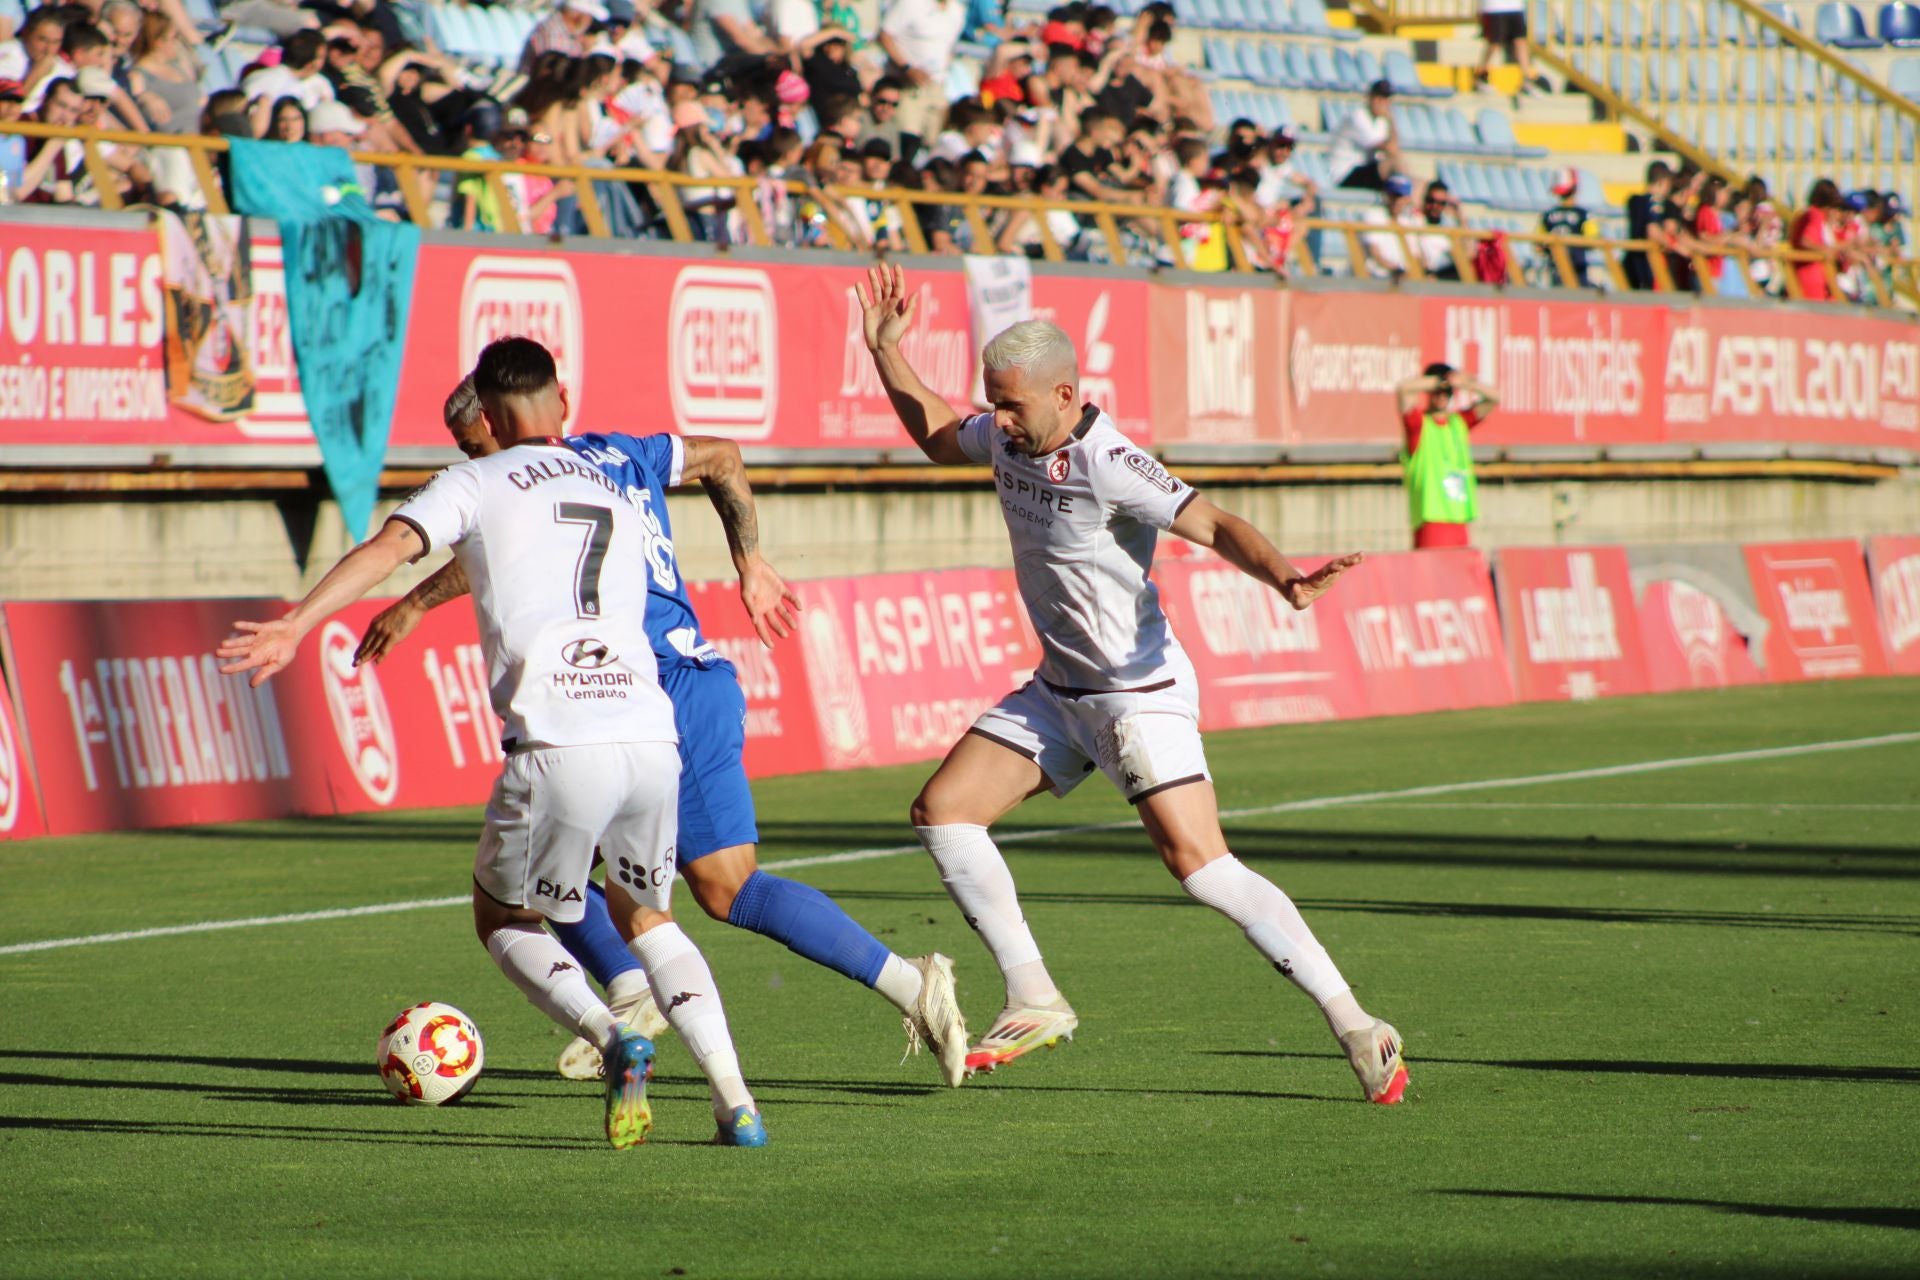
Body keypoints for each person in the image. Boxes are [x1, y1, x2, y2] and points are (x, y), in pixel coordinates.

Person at [853, 264, 1408, 1103]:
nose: (996, 420)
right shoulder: (1007, 438)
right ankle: (1034, 994)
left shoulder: (1111, 461)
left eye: (1011, 404)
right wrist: (887, 353)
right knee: (943, 812)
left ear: (1065, 393)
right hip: (1059, 689)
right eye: (993, 402)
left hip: (1133, 697)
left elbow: (1213, 521)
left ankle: (1357, 1024)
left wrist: (1285, 579)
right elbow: (939, 432)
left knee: (1202, 866)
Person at [218, 338, 769, 1149]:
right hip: (651, 736)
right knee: (648, 915)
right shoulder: (613, 471)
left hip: (558, 740)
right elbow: (713, 466)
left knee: (502, 914)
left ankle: (617, 1039)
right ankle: (736, 1102)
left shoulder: (471, 481)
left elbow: (388, 550)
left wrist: (299, 623)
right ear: (562, 402)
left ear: (484, 413)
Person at [355, 375, 972, 1088]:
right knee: (715, 888)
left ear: (494, 424)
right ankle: (908, 985)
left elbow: (499, 545)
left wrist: (412, 603)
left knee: (537, 885)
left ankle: (631, 994)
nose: (468, 460)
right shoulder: (618, 454)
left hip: (629, 693)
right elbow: (723, 456)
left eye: (471, 445)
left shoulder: (516, 485)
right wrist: (751, 564)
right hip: (694, 679)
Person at [1394, 361, 1498, 549]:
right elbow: (1403, 390)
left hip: (1459, 519)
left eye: (1447, 392)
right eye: (1437, 392)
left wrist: (1467, 383)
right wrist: (1438, 381)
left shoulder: (1459, 422)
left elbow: (1494, 398)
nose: (1442, 396)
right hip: (1432, 520)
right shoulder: (1419, 425)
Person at [1328, 80, 1398, 191]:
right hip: (1346, 174)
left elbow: (1392, 150)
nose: (1381, 103)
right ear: (1370, 98)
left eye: (1385, 99)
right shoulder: (1358, 117)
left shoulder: (1381, 122)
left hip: (1365, 171)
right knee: (1392, 165)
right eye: (1379, 98)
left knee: (1415, 183)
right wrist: (1391, 119)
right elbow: (1390, 149)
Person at [1540, 167, 1593, 287]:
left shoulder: (1548, 215)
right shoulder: (1583, 214)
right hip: (1577, 268)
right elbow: (1593, 240)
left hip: (1555, 267)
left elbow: (1538, 244)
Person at [1474, 0, 1539, 95]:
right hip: (1494, 7)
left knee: (1520, 41)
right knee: (1495, 42)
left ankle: (1526, 79)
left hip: (1514, 7)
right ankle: (1481, 75)